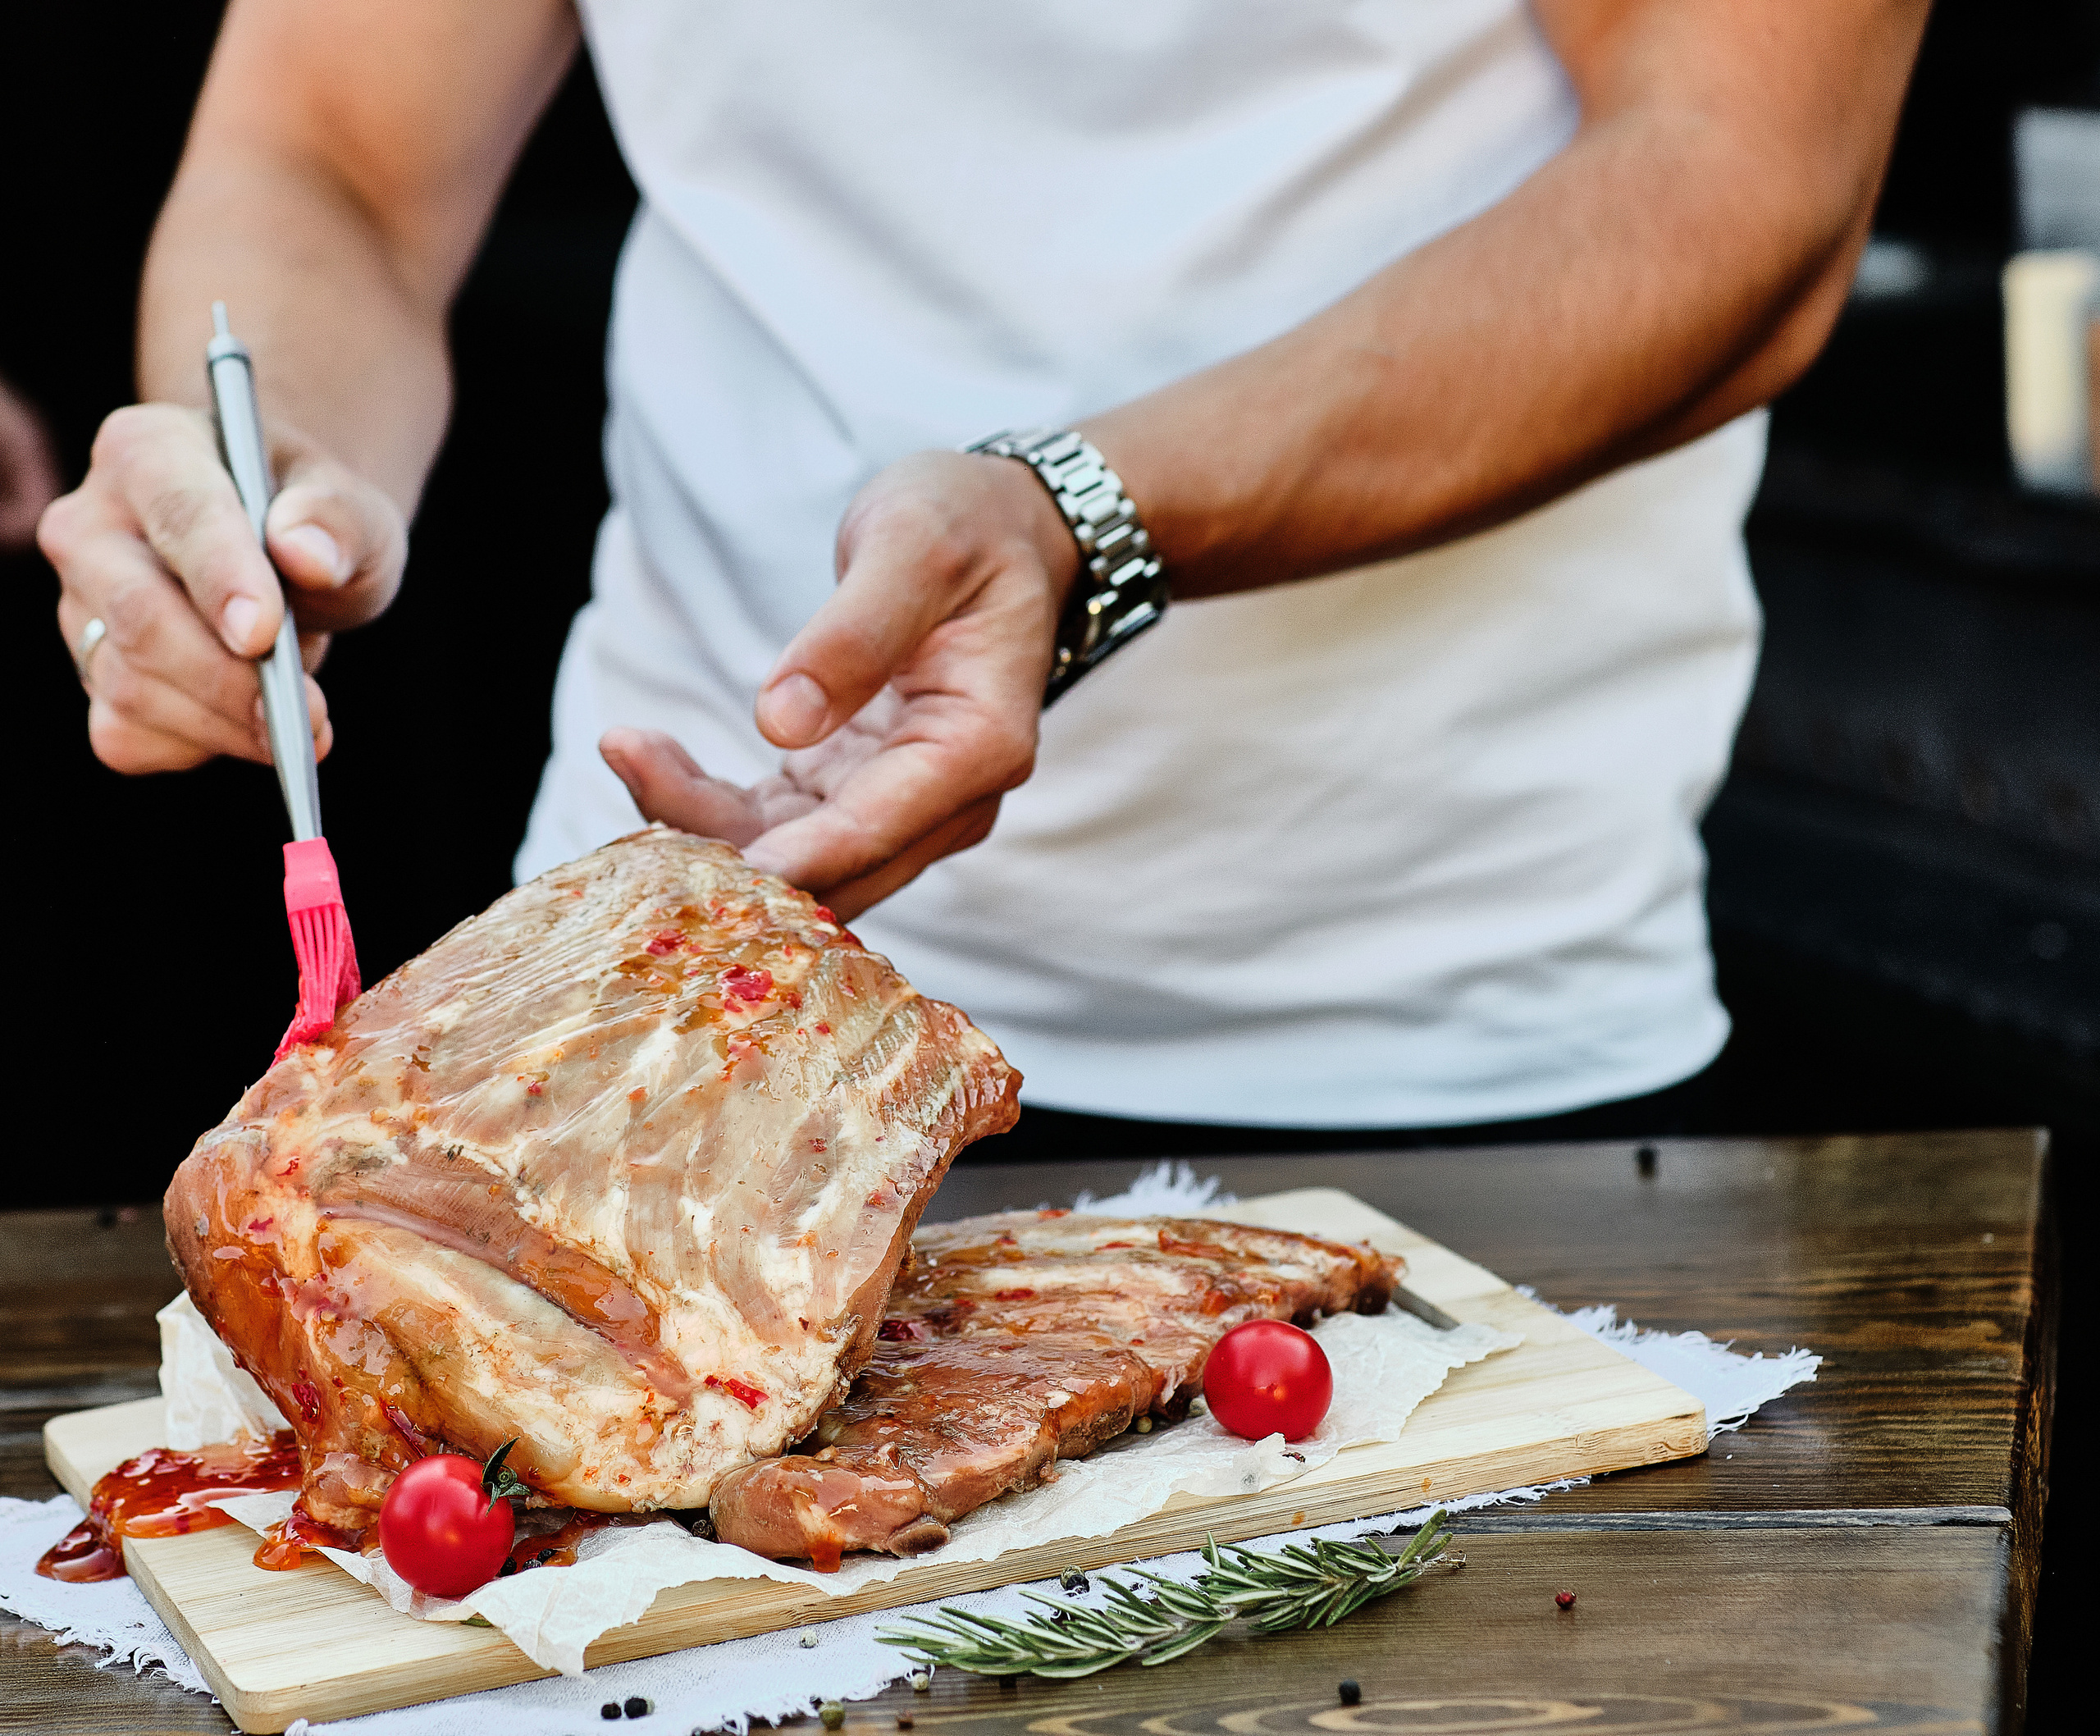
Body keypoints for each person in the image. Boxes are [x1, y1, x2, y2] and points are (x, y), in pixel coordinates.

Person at [39, 1, 1928, 1150]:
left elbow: (1742, 185)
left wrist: (1078, 515)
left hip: (1428, 1032)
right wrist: (267, 474)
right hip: (644, 1016)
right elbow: (332, 152)